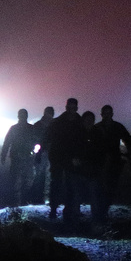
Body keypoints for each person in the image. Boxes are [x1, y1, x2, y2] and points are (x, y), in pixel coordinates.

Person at [45, 98, 82, 228]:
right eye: (70, 108)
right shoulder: (60, 123)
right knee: (57, 184)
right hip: (59, 158)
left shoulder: (78, 122)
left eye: (73, 108)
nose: (71, 110)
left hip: (70, 159)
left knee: (70, 186)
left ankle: (66, 211)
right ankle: (55, 210)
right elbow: (48, 138)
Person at [94, 105, 131, 215]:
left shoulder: (105, 127)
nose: (107, 116)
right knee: (103, 187)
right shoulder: (112, 127)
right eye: (105, 113)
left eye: (108, 113)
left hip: (113, 162)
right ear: (102, 114)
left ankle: (103, 210)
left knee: (110, 187)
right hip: (102, 162)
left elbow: (129, 141)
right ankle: (102, 210)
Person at [75, 111, 107, 225]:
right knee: (77, 196)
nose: (89, 122)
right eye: (87, 120)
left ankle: (95, 222)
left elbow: (102, 151)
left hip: (92, 170)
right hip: (79, 169)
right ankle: (76, 221)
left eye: (90, 120)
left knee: (94, 197)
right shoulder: (78, 133)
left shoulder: (97, 133)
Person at [1, 109, 36, 206]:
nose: (22, 118)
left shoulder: (28, 128)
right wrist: (3, 155)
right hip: (19, 158)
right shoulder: (16, 129)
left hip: (26, 158)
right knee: (18, 182)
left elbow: (7, 143)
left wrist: (3, 155)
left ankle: (21, 201)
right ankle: (18, 203)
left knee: (26, 181)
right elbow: (7, 142)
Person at [30, 106, 54, 204]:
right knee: (39, 177)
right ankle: (38, 197)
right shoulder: (40, 125)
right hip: (42, 154)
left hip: (49, 154)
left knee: (47, 177)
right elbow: (33, 140)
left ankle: (43, 198)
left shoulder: (52, 125)